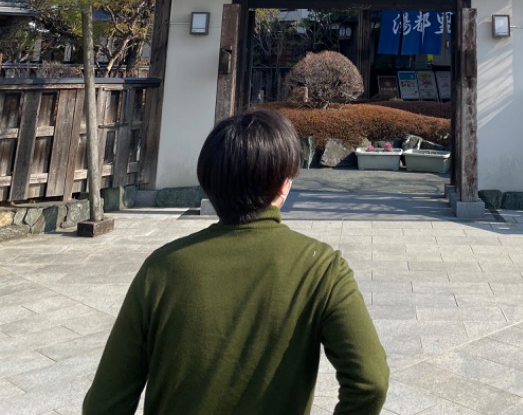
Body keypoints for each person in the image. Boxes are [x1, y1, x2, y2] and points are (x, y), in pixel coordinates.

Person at [83, 110, 389, 415]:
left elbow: (103, 404)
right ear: (285, 184)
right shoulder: (322, 268)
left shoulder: (162, 269)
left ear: (209, 183)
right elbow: (370, 381)